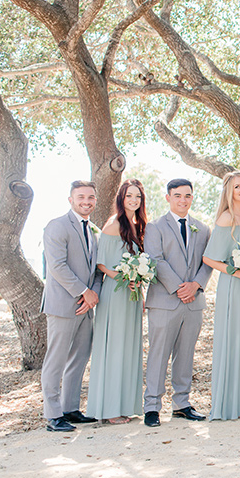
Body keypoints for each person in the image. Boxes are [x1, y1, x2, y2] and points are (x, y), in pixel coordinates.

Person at [143, 178, 213, 428]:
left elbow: (208, 261)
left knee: (185, 355)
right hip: (165, 300)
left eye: (187, 196)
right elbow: (156, 260)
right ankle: (152, 406)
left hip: (194, 301)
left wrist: (195, 285)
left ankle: (182, 404)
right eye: (178, 196)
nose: (183, 200)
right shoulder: (155, 227)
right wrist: (179, 287)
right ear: (168, 198)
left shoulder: (203, 229)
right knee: (159, 354)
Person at [41, 180, 103, 432]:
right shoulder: (57, 226)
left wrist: (94, 295)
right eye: (80, 197)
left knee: (79, 358)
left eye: (90, 197)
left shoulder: (95, 231)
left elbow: (98, 269)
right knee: (55, 360)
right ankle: (53, 415)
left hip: (86, 307)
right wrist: (84, 292)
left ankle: (70, 409)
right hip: (63, 305)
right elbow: (57, 267)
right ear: (70, 200)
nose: (86, 202)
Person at [86, 179, 147, 424]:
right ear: (121, 198)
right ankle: (109, 410)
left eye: (138, 197)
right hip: (116, 292)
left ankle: (124, 405)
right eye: (129, 196)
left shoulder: (136, 224)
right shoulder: (113, 224)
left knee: (128, 348)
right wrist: (125, 276)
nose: (133, 200)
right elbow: (101, 263)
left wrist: (138, 283)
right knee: (114, 348)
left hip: (132, 293)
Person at [202, 172, 240, 420]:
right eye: (237, 186)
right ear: (229, 191)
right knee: (233, 340)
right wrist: (235, 272)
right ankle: (227, 404)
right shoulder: (227, 219)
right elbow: (209, 258)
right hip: (233, 289)